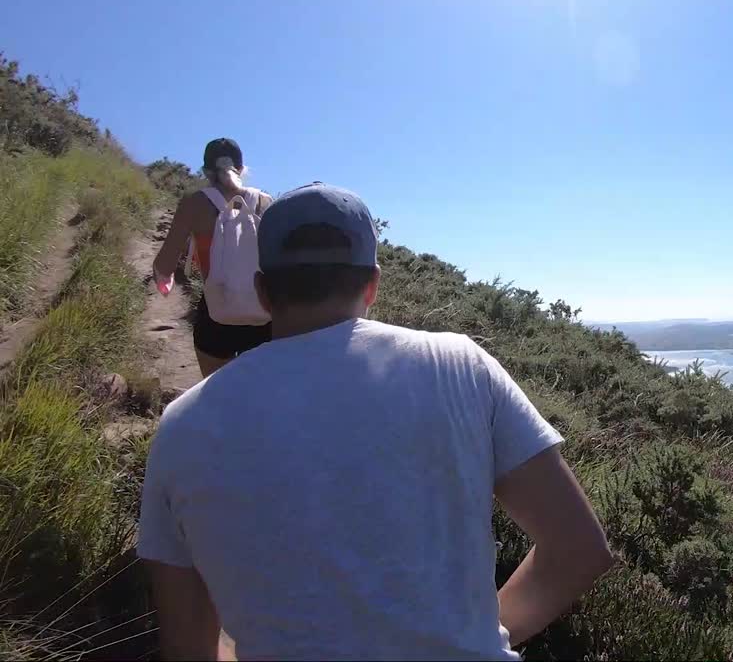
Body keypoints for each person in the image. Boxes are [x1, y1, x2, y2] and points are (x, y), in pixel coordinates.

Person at [138, 182, 613, 660]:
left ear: (262, 291)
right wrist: (475, 635)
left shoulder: (183, 424)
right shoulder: (460, 366)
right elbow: (578, 549)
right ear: (373, 284)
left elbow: (187, 648)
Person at [152, 138, 273, 377]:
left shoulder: (194, 203)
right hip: (265, 318)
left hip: (216, 316)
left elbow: (164, 266)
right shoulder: (266, 202)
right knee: (262, 399)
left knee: (220, 400)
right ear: (242, 168)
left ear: (207, 171)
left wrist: (164, 283)